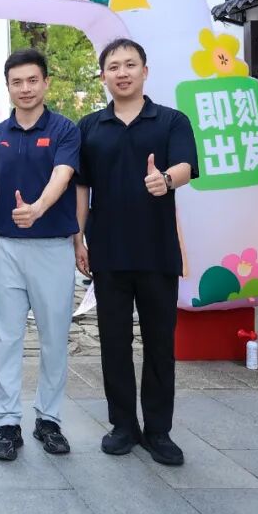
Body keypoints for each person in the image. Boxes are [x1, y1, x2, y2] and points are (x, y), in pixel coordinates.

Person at [75, 38, 198, 467]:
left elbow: (186, 166)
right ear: (103, 76)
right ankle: (123, 425)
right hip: (108, 251)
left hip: (157, 250)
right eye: (114, 66)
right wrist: (78, 238)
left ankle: (159, 431)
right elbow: (82, 187)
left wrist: (165, 179)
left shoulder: (171, 120)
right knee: (114, 343)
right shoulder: (89, 127)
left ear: (145, 71)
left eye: (130, 64)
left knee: (160, 344)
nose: (122, 72)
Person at [0, 49, 81, 461]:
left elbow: (63, 176)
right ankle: (7, 424)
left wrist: (37, 208)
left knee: (54, 337)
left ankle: (48, 419)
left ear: (46, 83)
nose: (25, 88)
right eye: (16, 82)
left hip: (53, 247)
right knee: (5, 337)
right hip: (7, 249)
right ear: (7, 87)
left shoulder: (65, 130)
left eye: (32, 80)